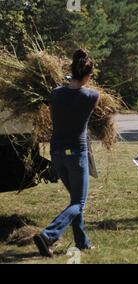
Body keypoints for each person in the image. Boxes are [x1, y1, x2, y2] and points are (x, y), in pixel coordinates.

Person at [33, 49, 99, 257]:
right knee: (79, 203)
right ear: (88, 76)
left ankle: (82, 242)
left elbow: (62, 94)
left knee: (75, 200)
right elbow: (82, 94)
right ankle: (48, 234)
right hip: (77, 155)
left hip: (57, 154)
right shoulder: (92, 96)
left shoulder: (55, 94)